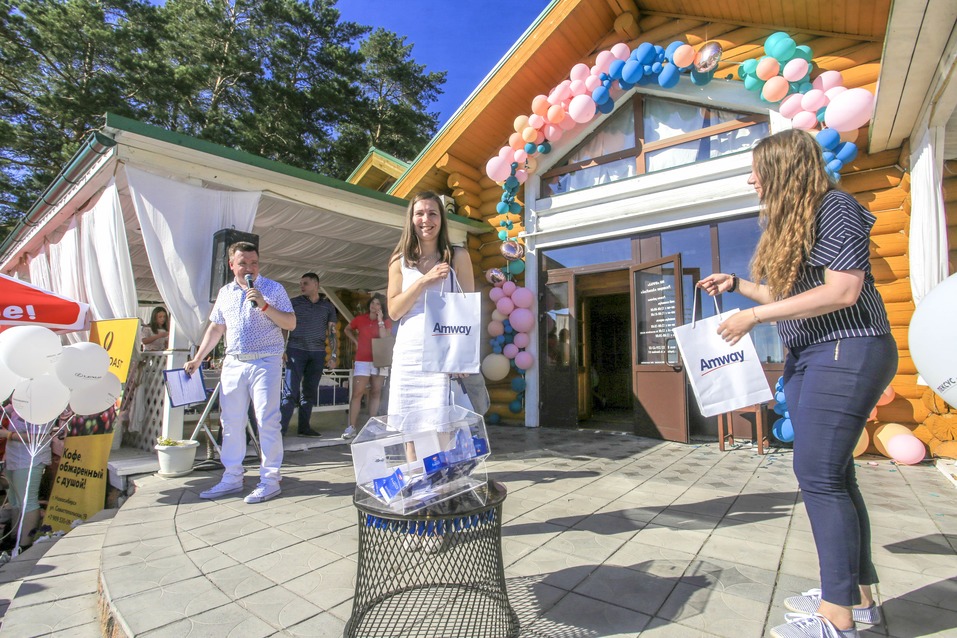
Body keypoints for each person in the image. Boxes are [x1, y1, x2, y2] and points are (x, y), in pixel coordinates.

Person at [697, 129, 896, 638]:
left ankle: (837, 618)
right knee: (836, 477)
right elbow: (795, 291)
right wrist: (739, 286)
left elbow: (844, 290)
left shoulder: (836, 207)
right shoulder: (796, 222)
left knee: (819, 477)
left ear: (784, 169)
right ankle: (858, 599)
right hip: (809, 354)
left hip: (847, 346)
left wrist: (755, 316)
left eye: (757, 169)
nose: (751, 179)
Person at [185, 241, 295, 504]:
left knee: (267, 420)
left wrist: (265, 305)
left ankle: (270, 480)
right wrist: (199, 358)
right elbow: (216, 328)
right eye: (243, 262)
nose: (250, 267)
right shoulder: (225, 292)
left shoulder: (272, 288)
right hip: (234, 361)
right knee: (231, 422)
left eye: (254, 262)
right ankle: (232, 476)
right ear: (232, 265)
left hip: (266, 360)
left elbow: (290, 322)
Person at [387, 191, 474, 416]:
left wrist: (463, 357)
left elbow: (467, 310)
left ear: (441, 220)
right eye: (420, 213)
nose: (426, 220)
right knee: (409, 427)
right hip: (409, 354)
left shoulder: (458, 256)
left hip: (443, 352)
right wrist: (424, 281)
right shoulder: (399, 261)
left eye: (432, 213)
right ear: (411, 219)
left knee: (441, 427)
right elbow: (394, 311)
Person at [280, 272, 337, 437]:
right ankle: (281, 430)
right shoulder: (294, 303)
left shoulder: (328, 306)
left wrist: (333, 355)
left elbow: (332, 331)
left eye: (305, 283)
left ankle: (304, 427)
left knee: (310, 392)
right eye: (301, 283)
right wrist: (282, 349)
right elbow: (284, 326)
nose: (301, 286)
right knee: (290, 391)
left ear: (316, 285)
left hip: (318, 353)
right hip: (296, 350)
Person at [1, 403, 51, 551]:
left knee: (27, 501)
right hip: (13, 458)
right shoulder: (18, 404)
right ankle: (14, 538)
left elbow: (39, 438)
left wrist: (7, 435)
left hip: (30, 459)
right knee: (15, 501)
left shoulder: (43, 407)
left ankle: (25, 544)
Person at [342, 294, 391, 438]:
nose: (374, 306)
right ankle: (351, 427)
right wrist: (356, 341)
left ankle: (372, 425)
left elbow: (384, 337)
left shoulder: (386, 321)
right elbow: (347, 329)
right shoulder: (360, 319)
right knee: (357, 393)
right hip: (362, 359)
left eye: (378, 304)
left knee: (376, 392)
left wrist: (380, 320)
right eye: (373, 303)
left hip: (379, 360)